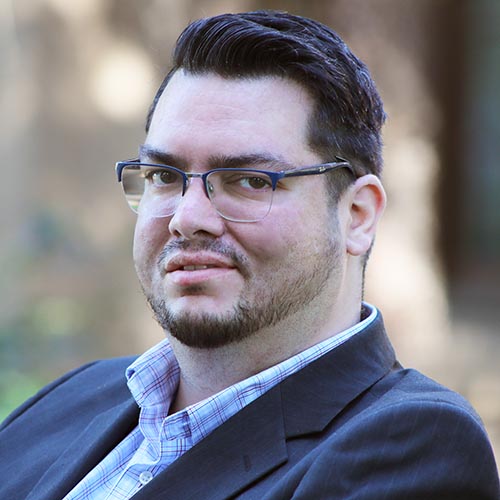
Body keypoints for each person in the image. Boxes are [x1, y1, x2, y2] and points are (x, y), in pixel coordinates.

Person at [0, 10, 498, 500]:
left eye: (248, 181)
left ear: (357, 215)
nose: (187, 217)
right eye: (164, 176)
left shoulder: (412, 446)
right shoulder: (69, 399)